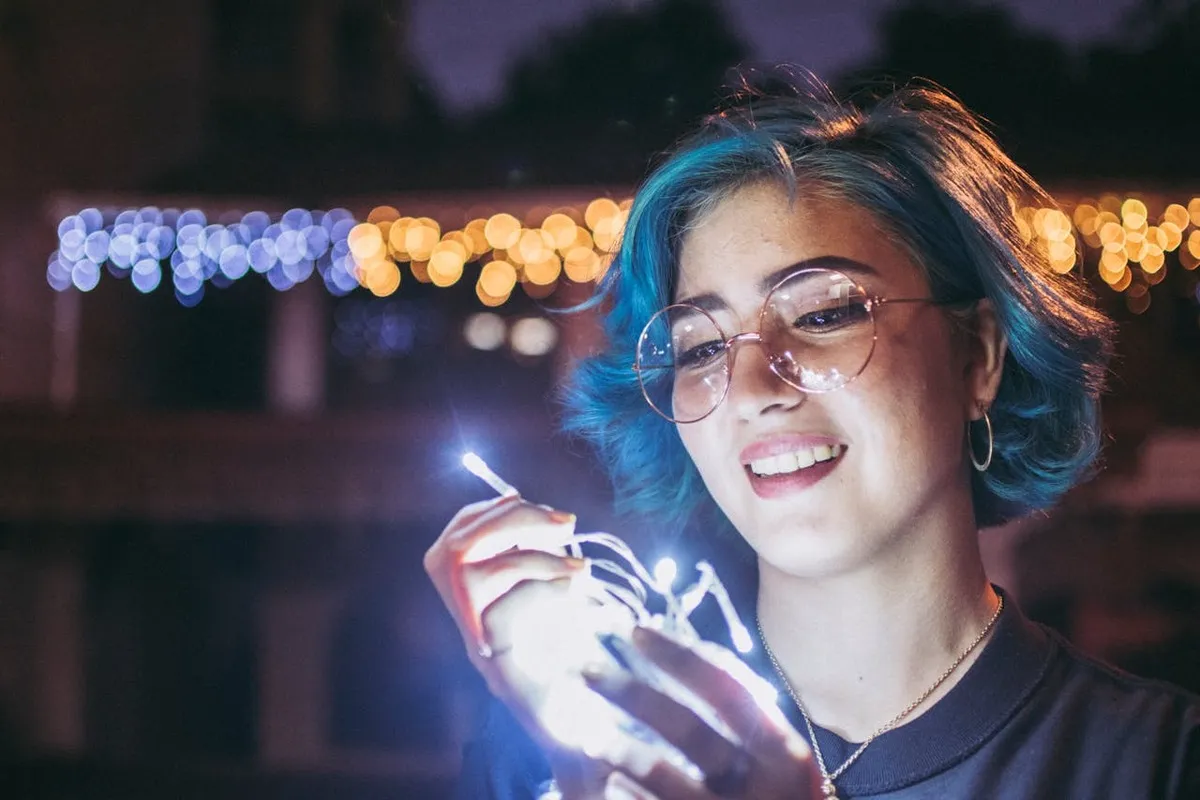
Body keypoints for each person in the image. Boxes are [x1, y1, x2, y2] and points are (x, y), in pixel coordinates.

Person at [425, 75, 1200, 799]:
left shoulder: (1158, 763)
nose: (755, 388)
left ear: (978, 357)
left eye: (824, 314)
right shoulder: (564, 751)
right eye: (700, 346)